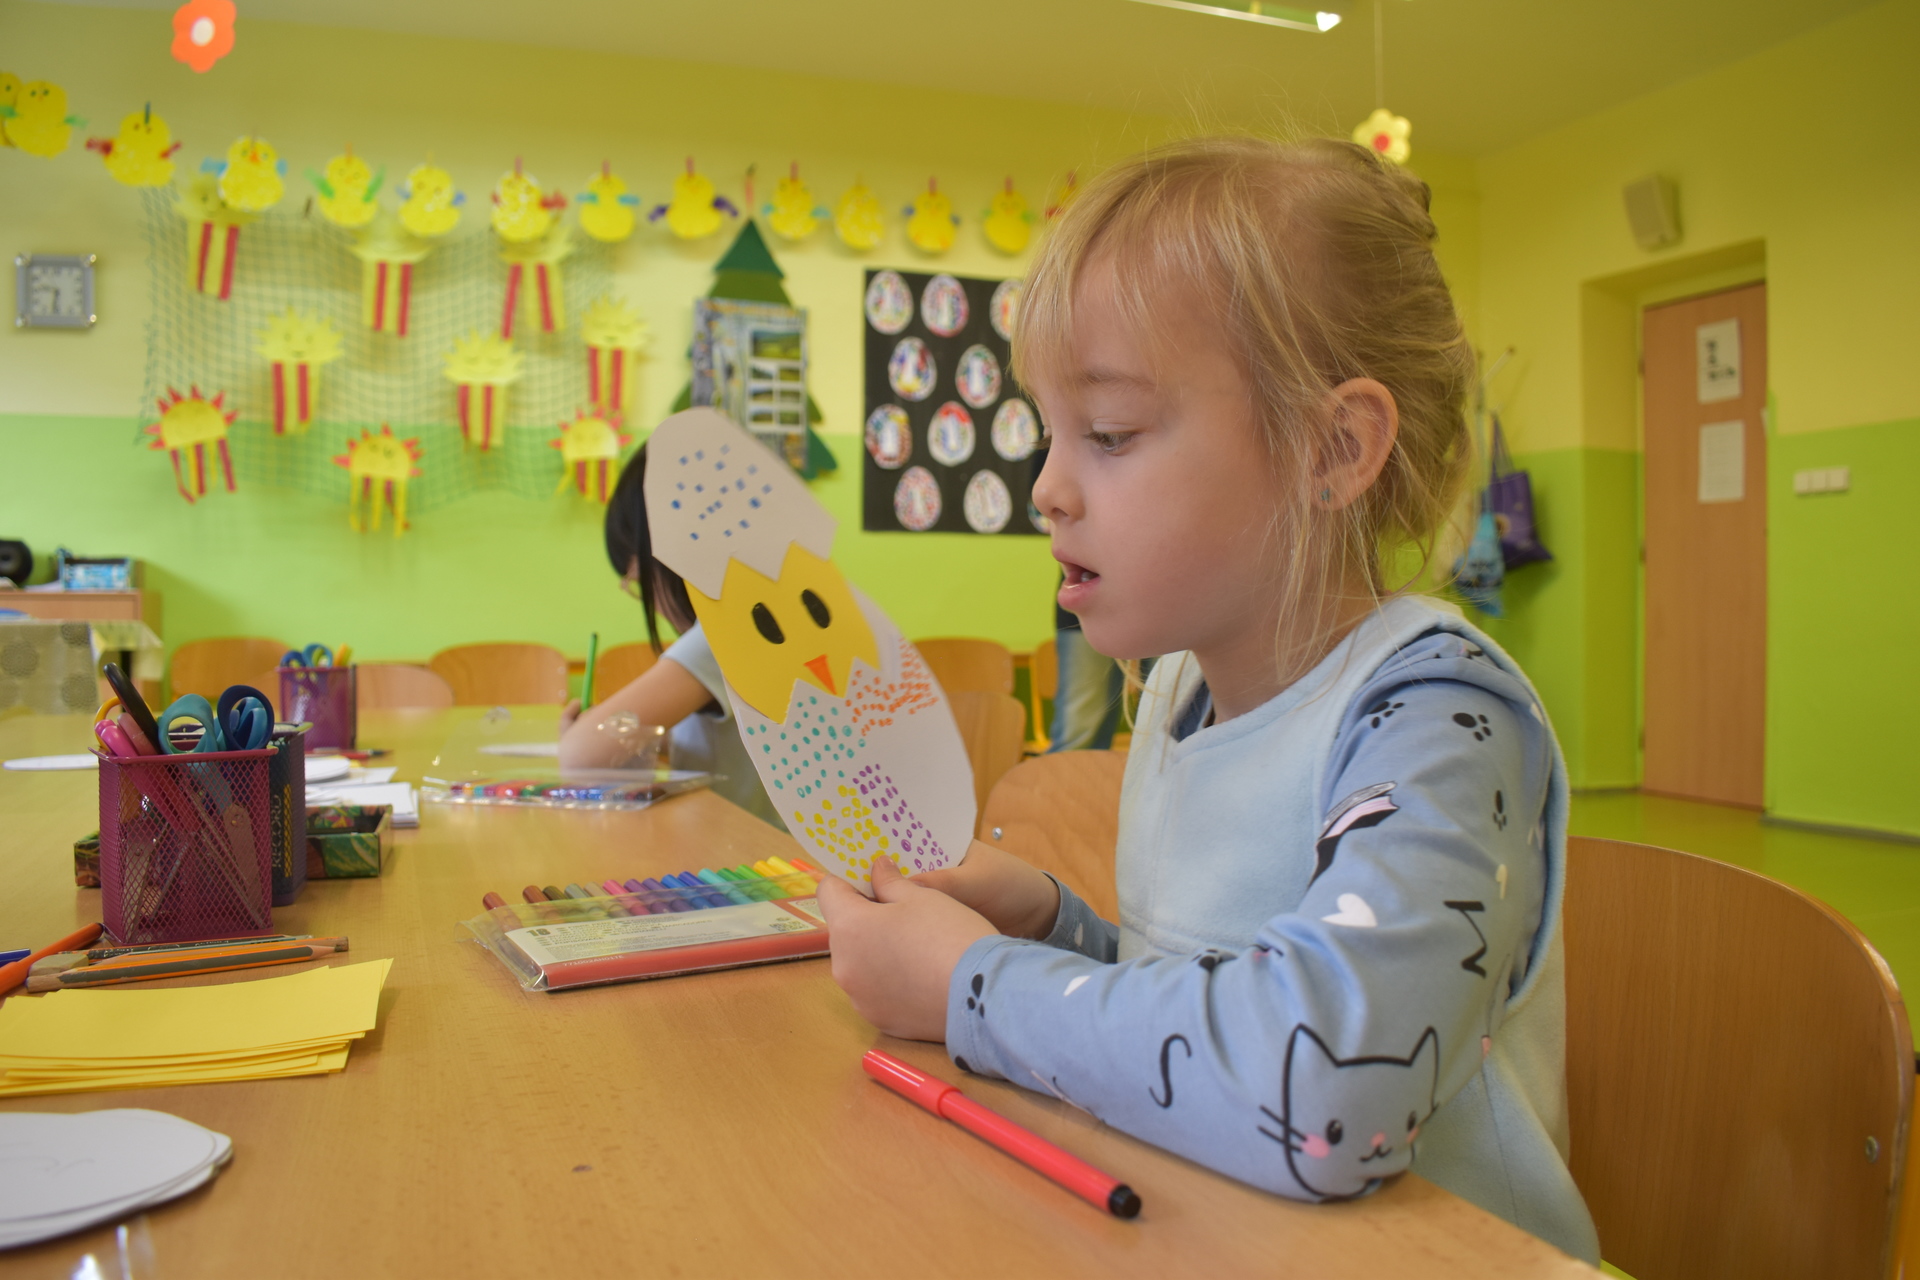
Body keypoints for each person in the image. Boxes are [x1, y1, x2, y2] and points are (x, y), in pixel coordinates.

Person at [811, 135, 1598, 1262]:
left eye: (1110, 434)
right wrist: (1049, 923)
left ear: (1333, 449)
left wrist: (973, 985)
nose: (1048, 488)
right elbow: (1212, 999)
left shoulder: (1439, 715)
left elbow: (1325, 1088)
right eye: (1050, 433)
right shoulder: (1180, 691)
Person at [558, 446, 785, 831]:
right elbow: (735, 743)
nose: (655, 606)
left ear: (667, 559)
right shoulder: (775, 616)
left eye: (638, 582)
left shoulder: (723, 635)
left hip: (747, 852)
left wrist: (578, 732)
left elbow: (580, 755)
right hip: (761, 843)